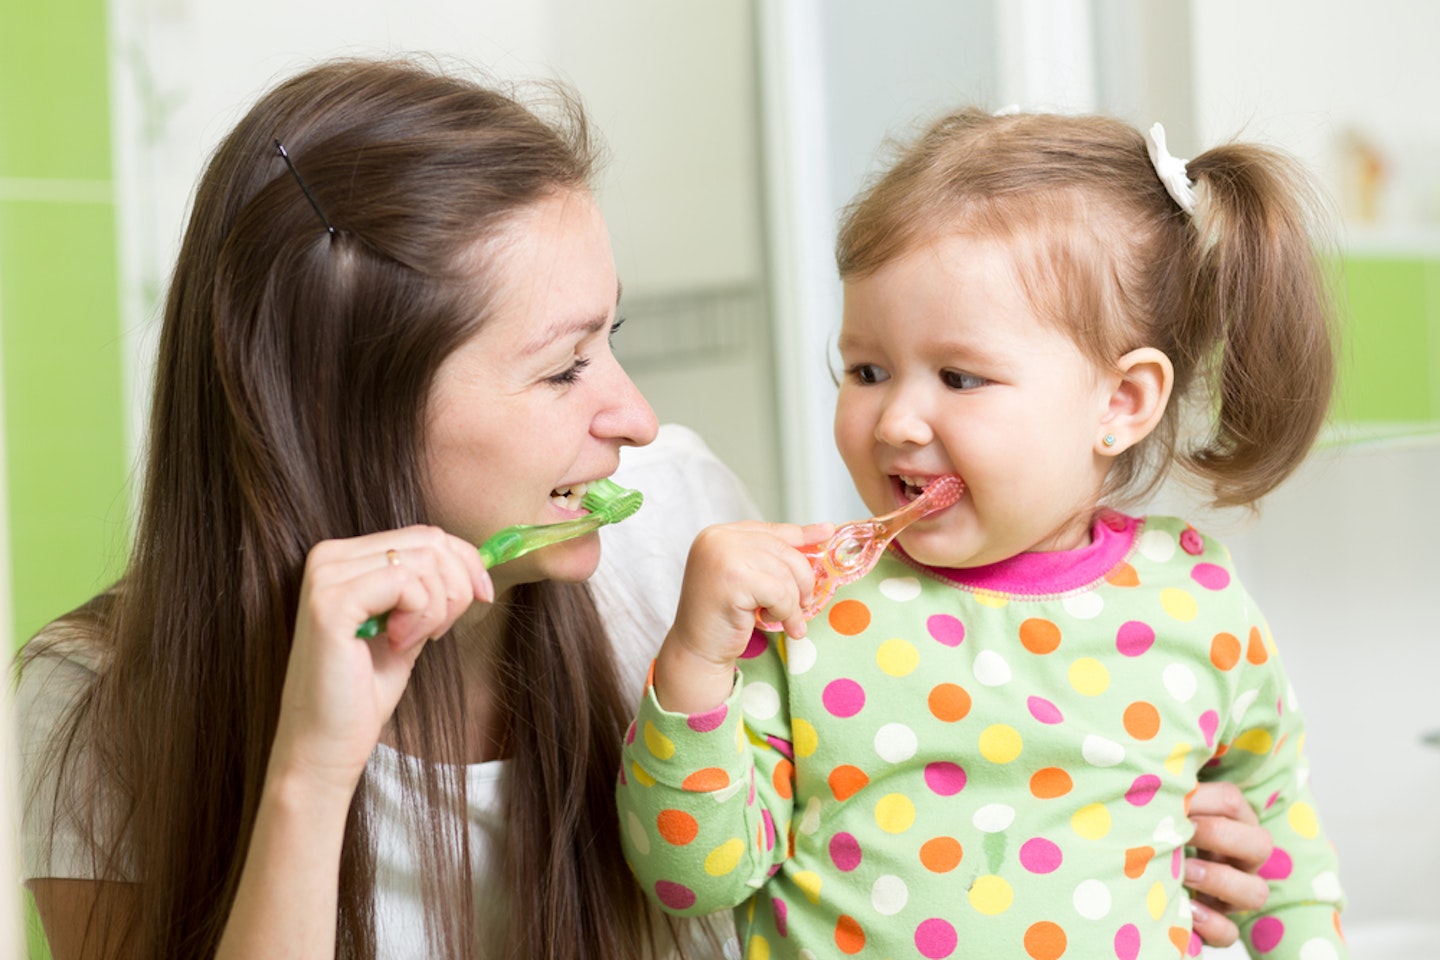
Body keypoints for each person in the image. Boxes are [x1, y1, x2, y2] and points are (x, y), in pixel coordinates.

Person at [12, 59, 1273, 960]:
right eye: (563, 367)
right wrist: (312, 770)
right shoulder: (100, 698)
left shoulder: (673, 528)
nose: (630, 412)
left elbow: (867, 809)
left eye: (613, 338)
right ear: (348, 410)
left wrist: (1115, 814)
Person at [617, 108, 1346, 960]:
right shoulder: (811, 605)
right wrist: (695, 665)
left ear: (1121, 403)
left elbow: (1286, 875)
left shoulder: (1202, 607)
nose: (895, 419)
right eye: (866, 370)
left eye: (959, 377)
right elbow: (690, 879)